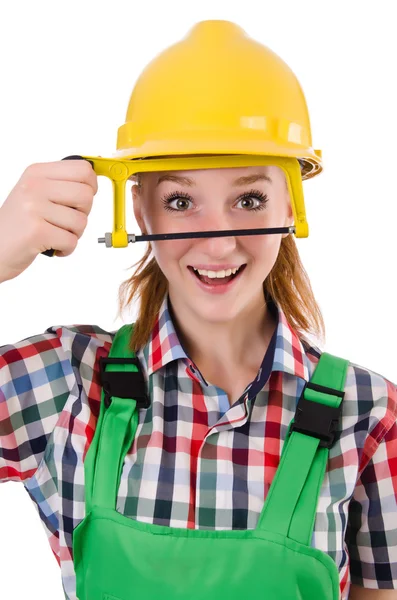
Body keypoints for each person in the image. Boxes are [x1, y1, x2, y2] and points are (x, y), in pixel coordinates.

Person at [0, 19, 396, 600]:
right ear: (140, 212)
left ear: (291, 202)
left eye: (249, 199)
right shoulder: (66, 381)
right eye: (181, 201)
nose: (217, 244)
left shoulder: (369, 415)